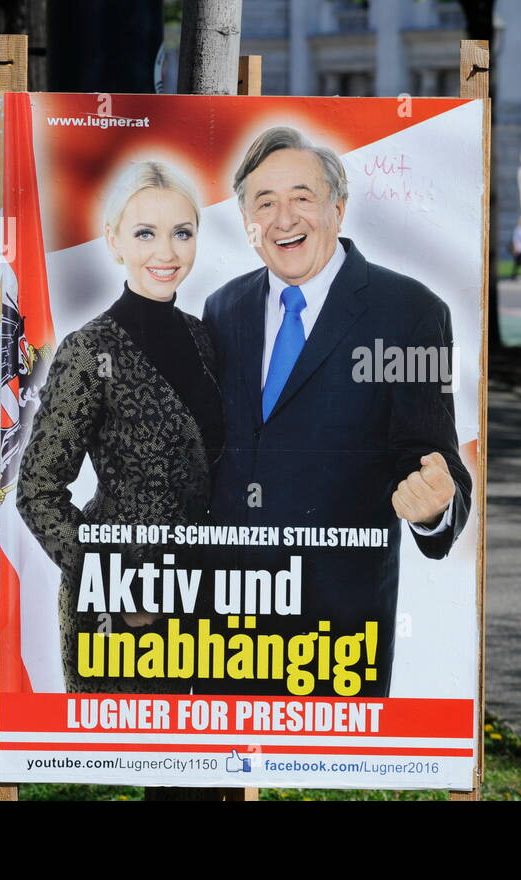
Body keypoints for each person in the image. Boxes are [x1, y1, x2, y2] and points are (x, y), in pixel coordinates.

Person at [201, 126, 472, 697]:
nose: (284, 219)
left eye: (302, 197)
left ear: (338, 209)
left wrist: (434, 508)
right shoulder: (222, 308)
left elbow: (434, 459)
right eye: (264, 202)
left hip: (338, 628)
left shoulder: (409, 313)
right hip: (225, 616)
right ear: (245, 220)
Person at [16, 161, 223, 694]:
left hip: (207, 595)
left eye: (182, 232)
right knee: (136, 762)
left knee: (201, 762)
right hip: (122, 611)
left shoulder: (205, 340)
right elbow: (37, 491)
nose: (167, 253)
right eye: (145, 233)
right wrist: (118, 589)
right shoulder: (89, 350)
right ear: (114, 241)